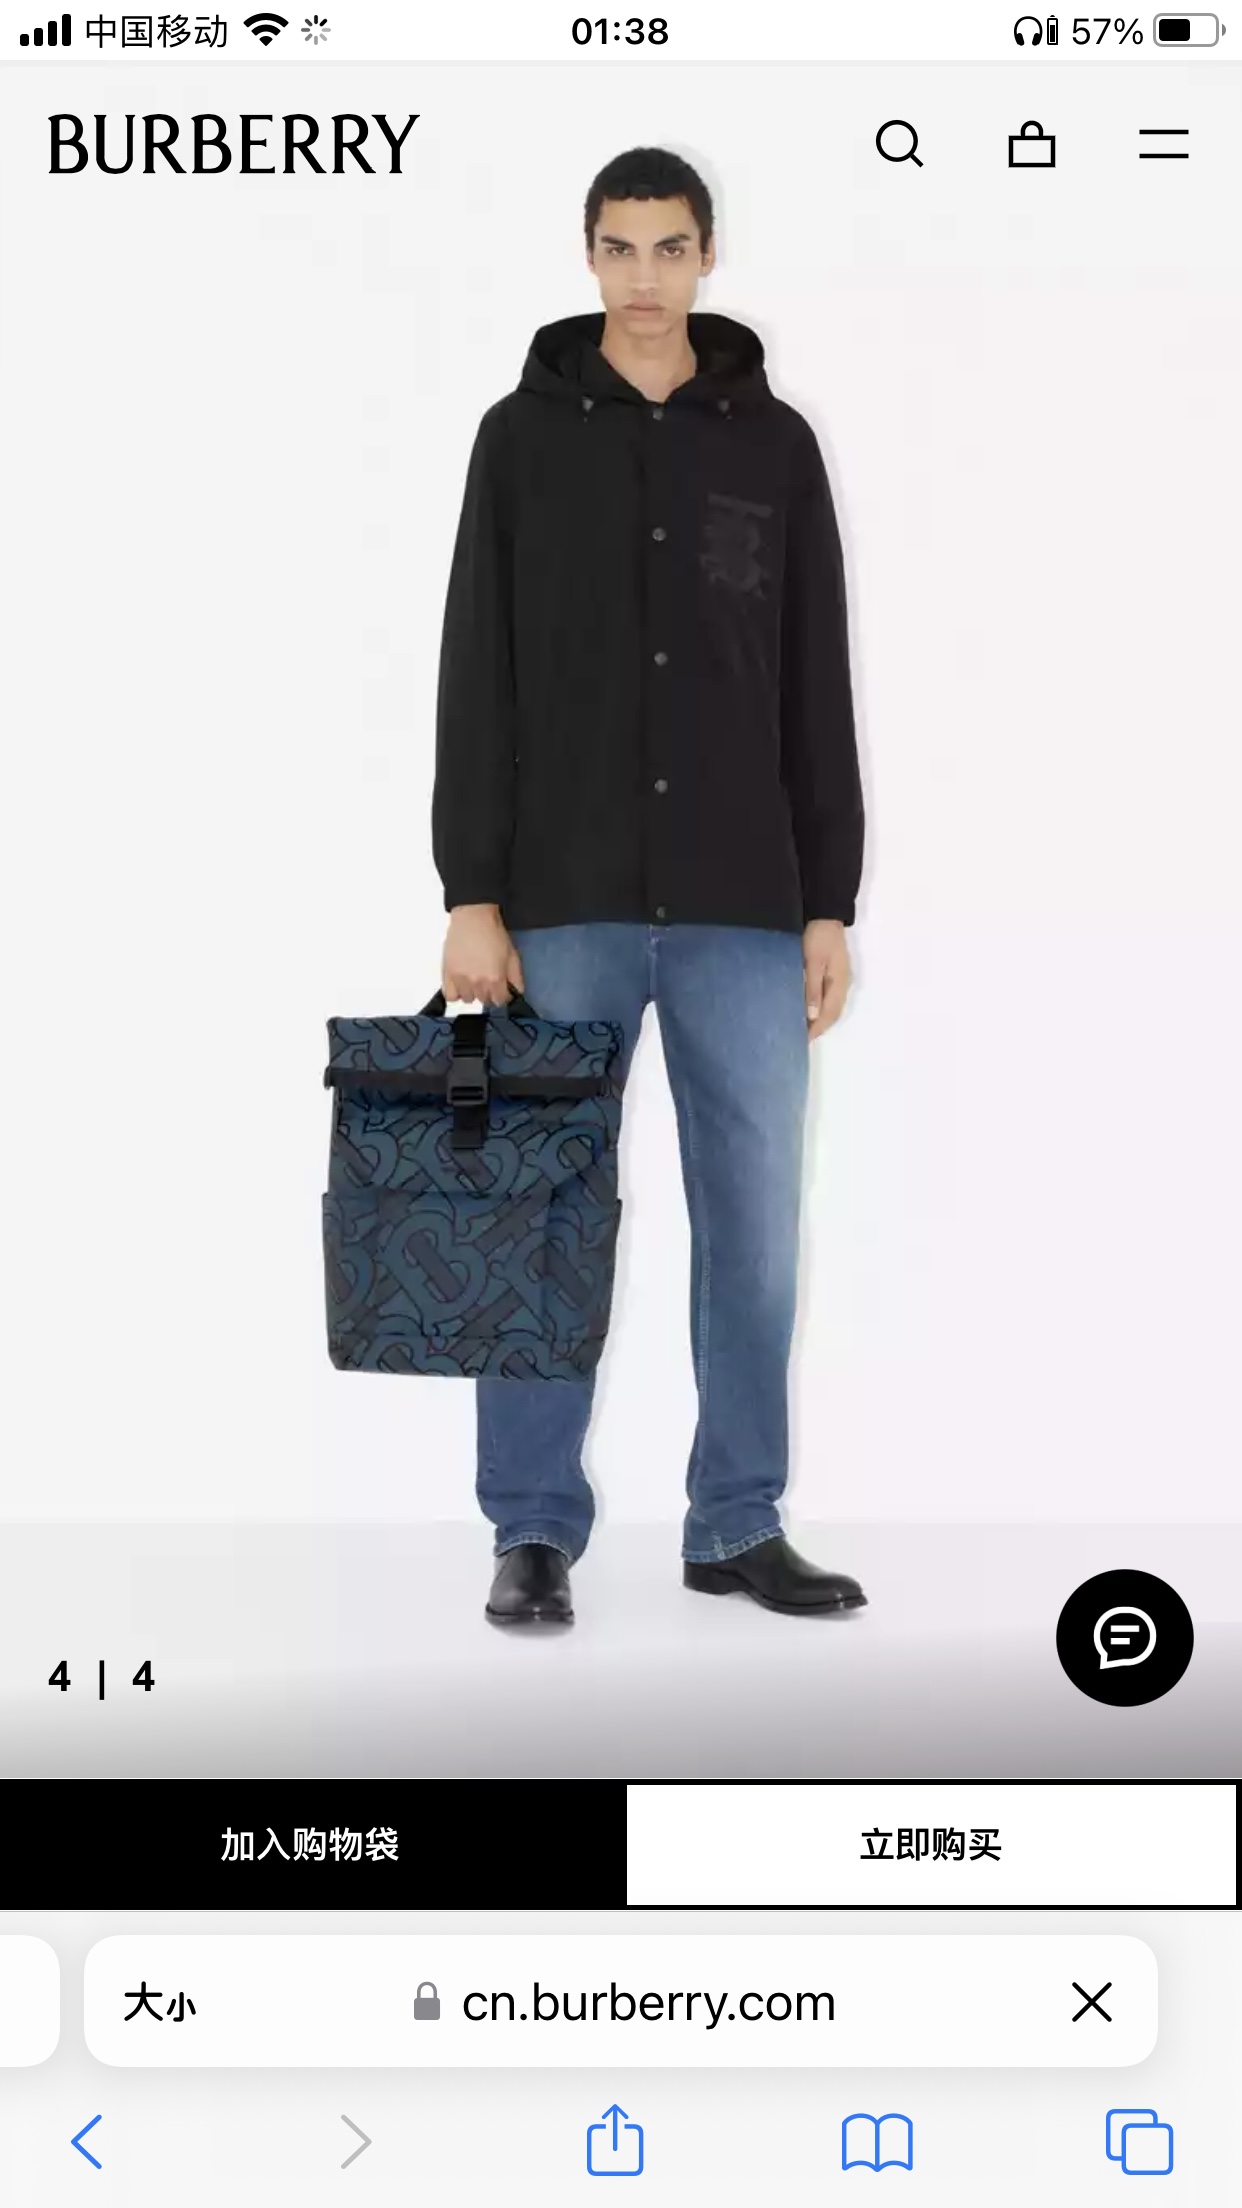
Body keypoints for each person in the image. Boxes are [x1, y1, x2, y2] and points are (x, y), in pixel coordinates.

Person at [432, 145, 867, 1628]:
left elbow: (813, 680)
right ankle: (530, 1528)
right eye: (618, 248)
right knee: (542, 1220)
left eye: (668, 248)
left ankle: (737, 1521)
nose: (642, 277)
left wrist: (828, 899)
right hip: (565, 896)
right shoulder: (518, 440)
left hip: (746, 901)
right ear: (587, 255)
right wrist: (472, 888)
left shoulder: (774, 446)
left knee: (754, 1231)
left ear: (706, 256)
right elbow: (476, 672)